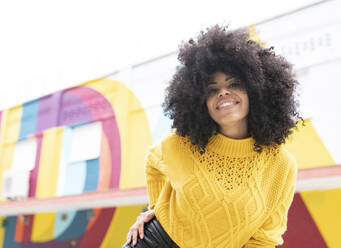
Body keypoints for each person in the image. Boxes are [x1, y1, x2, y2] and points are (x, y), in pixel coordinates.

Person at [122, 24, 299, 248]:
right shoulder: (180, 144)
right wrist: (154, 209)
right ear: (200, 101)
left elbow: (265, 239)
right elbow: (152, 162)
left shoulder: (281, 166)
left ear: (257, 90)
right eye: (212, 89)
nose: (223, 92)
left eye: (234, 84)